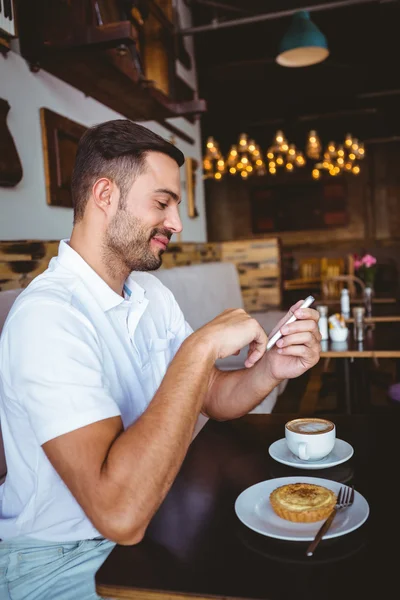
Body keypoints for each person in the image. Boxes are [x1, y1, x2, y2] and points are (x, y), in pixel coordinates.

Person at [0, 120, 321, 599]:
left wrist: (270, 369)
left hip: (149, 520)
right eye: (162, 202)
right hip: (62, 559)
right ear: (105, 196)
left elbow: (210, 394)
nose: (176, 222)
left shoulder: (148, 291)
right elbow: (120, 516)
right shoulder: (49, 318)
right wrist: (198, 348)